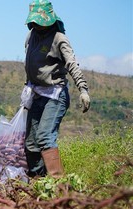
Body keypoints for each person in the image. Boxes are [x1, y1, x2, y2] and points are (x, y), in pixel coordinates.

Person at [23, 0, 91, 178]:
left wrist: (83, 89)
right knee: (30, 143)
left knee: (45, 136)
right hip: (37, 94)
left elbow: (72, 64)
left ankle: (57, 184)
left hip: (55, 95)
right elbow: (31, 64)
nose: (37, 25)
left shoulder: (59, 39)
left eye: (40, 22)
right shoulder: (31, 36)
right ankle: (38, 184)